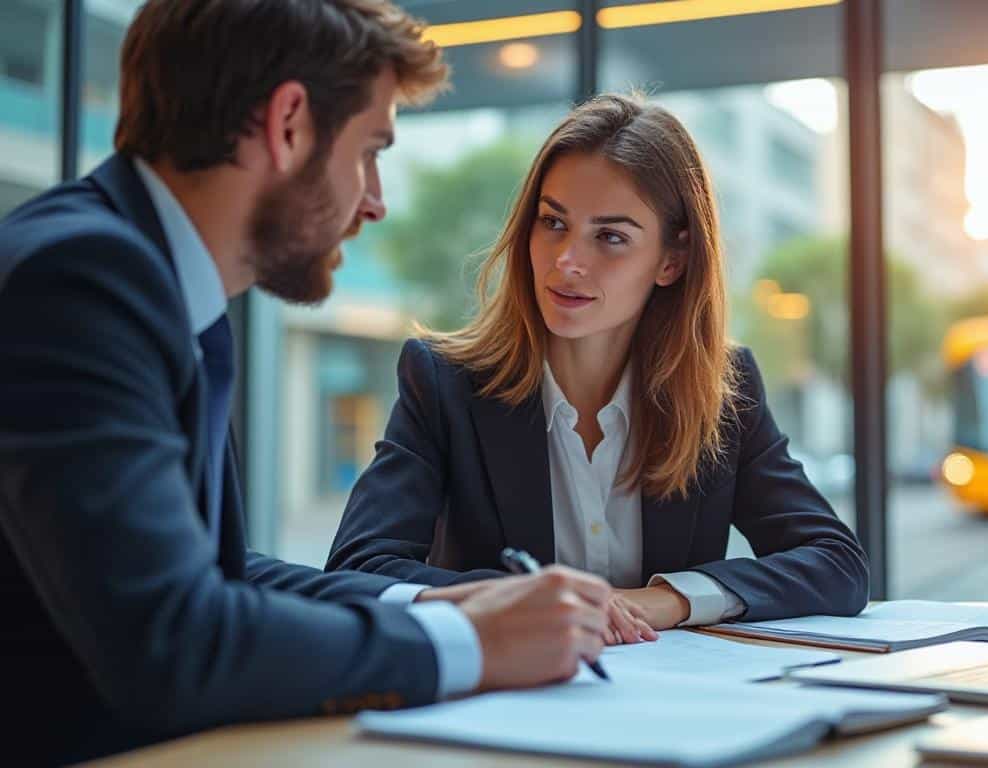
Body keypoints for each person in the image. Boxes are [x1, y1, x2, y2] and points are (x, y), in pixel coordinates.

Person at [0, 2, 610, 764]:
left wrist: (435, 602)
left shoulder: (158, 287)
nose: (376, 200)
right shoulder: (83, 281)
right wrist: (468, 643)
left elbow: (216, 575)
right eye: (370, 150)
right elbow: (172, 641)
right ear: (289, 123)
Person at [326, 94, 869, 644]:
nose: (567, 261)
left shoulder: (724, 393)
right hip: (502, 704)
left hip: (674, 712)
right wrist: (510, 602)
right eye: (553, 222)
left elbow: (837, 564)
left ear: (671, 261)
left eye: (610, 237)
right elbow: (357, 569)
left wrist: (666, 600)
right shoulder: (444, 384)